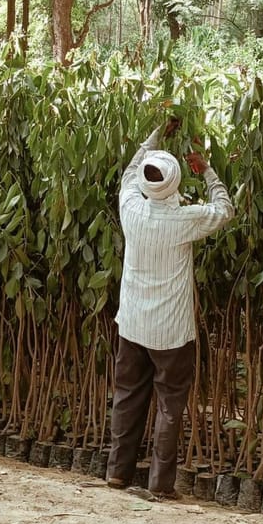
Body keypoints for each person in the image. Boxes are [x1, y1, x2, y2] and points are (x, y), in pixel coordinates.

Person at [106, 120, 234, 499]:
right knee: (169, 405)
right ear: (176, 181)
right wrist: (207, 169)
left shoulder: (131, 208)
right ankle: (160, 485)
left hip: (132, 324)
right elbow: (224, 209)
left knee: (127, 396)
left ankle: (117, 473)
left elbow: (131, 171)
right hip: (171, 333)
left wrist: (156, 133)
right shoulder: (184, 219)